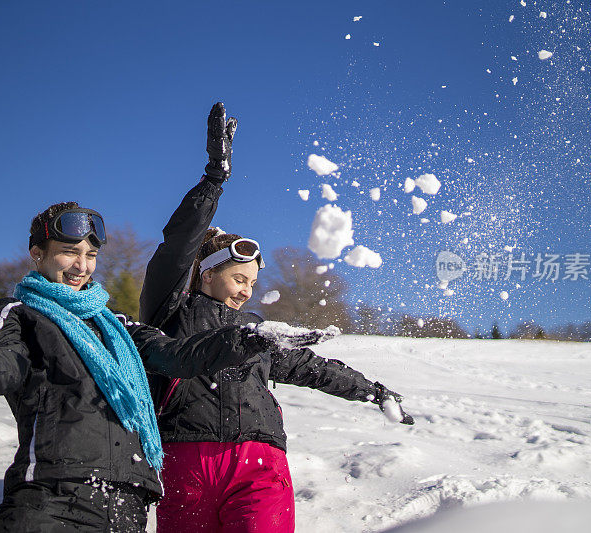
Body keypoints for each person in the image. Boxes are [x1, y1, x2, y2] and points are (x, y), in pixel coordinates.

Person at [0, 201, 281, 532]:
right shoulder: (18, 313)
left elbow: (178, 357)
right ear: (37, 254)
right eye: (68, 252)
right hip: (53, 496)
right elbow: (6, 367)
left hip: (128, 504)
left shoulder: (115, 325)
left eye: (90, 254)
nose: (82, 265)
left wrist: (247, 339)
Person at [139, 102, 414, 532]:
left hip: (258, 462)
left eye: (252, 282)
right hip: (186, 460)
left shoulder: (257, 333)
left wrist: (373, 391)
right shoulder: (170, 310)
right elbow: (177, 246)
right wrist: (214, 181)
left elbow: (312, 370)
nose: (247, 290)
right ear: (207, 275)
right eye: (238, 278)